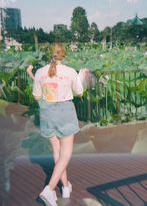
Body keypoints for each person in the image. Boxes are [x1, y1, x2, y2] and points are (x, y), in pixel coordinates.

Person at [27, 43, 91, 206]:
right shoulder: (70, 72)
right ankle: (49, 189)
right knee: (66, 154)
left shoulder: (40, 72)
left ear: (50, 54)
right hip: (65, 113)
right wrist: (81, 77)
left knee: (57, 152)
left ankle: (66, 187)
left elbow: (37, 96)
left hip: (47, 113)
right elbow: (79, 92)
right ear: (64, 55)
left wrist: (33, 77)